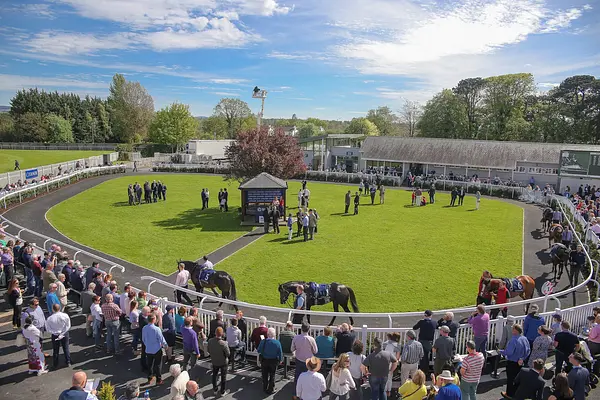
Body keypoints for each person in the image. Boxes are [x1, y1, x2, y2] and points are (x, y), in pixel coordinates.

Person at [499, 324, 530, 399]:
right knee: (518, 379)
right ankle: (516, 393)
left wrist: (500, 351)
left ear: (515, 331)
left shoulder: (513, 340)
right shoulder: (524, 338)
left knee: (511, 379)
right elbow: (528, 350)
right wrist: (522, 358)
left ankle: (509, 394)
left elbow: (509, 352)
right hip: (520, 362)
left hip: (512, 363)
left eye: (513, 329)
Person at [292, 323, 319, 398]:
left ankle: (296, 394)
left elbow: (292, 348)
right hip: (308, 361)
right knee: (309, 377)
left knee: (297, 377)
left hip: (299, 359)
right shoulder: (311, 339)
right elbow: (315, 351)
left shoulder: (296, 338)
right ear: (308, 329)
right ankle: (306, 393)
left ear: (301, 328)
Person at [142, 313, 167, 385]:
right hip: (157, 349)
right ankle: (158, 380)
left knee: (149, 364)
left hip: (148, 349)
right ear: (154, 320)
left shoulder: (144, 328)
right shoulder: (157, 329)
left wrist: (147, 345)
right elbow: (161, 339)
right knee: (158, 365)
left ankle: (150, 378)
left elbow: (143, 339)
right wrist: (165, 345)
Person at [45, 303, 72, 368]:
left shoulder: (49, 318)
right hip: (64, 334)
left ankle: (55, 364)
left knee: (55, 350)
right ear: (59, 308)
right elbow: (68, 326)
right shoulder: (65, 315)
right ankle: (68, 362)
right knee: (66, 348)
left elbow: (48, 329)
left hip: (55, 335)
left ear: (53, 309)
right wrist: (62, 333)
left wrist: (56, 332)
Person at [257, 327, 283, 394]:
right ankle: (271, 389)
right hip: (273, 361)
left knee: (264, 375)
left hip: (264, 360)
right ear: (274, 335)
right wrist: (280, 360)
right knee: (272, 375)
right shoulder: (277, 343)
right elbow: (280, 353)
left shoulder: (263, 341)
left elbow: (258, 350)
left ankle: (265, 387)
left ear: (267, 334)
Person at [207, 326, 230, 396]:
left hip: (214, 361)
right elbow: (228, 354)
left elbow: (208, 350)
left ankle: (215, 389)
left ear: (215, 333)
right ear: (222, 334)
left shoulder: (210, 341)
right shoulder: (224, 343)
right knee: (223, 377)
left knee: (214, 375)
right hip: (223, 362)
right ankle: (222, 392)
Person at [413, 310, 436, 376]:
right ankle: (425, 371)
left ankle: (422, 372)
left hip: (422, 341)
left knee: (422, 357)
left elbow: (414, 327)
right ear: (431, 315)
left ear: (425, 315)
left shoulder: (421, 322)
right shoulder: (434, 322)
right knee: (427, 357)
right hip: (429, 342)